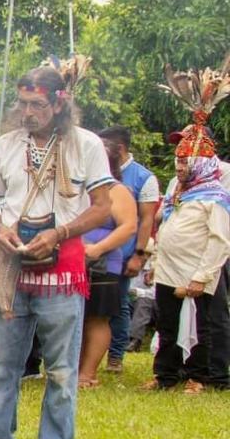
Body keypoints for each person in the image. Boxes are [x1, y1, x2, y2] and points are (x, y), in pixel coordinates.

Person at [0, 65, 112, 439]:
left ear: (59, 102)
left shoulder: (86, 145)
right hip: (11, 271)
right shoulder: (6, 146)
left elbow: (103, 207)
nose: (28, 112)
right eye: (23, 103)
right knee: (2, 364)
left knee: (62, 369)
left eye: (37, 104)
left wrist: (61, 232)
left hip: (61, 271)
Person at [147, 146, 230, 393]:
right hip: (169, 270)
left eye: (185, 164)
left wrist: (202, 275)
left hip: (196, 271)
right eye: (178, 164)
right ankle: (165, 375)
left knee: (201, 326)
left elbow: (220, 240)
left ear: (199, 165)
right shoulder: (179, 190)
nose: (180, 169)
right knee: (167, 323)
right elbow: (165, 228)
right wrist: (156, 263)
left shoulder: (215, 196)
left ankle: (199, 377)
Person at [97, 126, 160, 373]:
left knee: (119, 305)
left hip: (122, 256)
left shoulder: (143, 178)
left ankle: (115, 356)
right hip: (92, 255)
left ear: (119, 149)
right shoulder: (97, 174)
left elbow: (146, 220)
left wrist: (139, 255)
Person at [77, 137, 137, 387]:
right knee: (75, 316)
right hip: (74, 261)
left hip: (102, 262)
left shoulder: (116, 190)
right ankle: (73, 369)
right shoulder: (81, 188)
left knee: (97, 317)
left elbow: (129, 227)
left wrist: (97, 248)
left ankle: (88, 373)